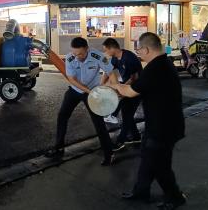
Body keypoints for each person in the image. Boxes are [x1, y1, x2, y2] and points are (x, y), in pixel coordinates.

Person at [112, 32, 186, 210]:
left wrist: (113, 85)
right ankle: (141, 192)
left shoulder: (155, 69)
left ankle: (175, 197)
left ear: (146, 49)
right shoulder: (164, 63)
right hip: (162, 124)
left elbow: (130, 92)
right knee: (147, 159)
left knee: (160, 165)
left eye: (138, 50)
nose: (138, 53)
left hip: (163, 128)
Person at [45, 37, 117, 165]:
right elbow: (71, 79)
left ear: (87, 49)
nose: (78, 56)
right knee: (62, 116)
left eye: (81, 54)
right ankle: (59, 148)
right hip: (75, 90)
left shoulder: (98, 56)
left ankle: (109, 153)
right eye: (75, 53)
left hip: (92, 91)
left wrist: (115, 87)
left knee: (98, 122)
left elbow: (111, 72)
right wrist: (89, 91)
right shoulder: (70, 58)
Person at [101, 38, 142, 151]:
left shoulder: (129, 58)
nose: (105, 53)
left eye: (106, 50)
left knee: (127, 114)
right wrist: (100, 86)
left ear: (112, 48)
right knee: (126, 113)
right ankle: (136, 137)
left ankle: (120, 141)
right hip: (127, 86)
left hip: (137, 88)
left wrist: (121, 89)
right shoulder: (115, 58)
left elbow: (134, 78)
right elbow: (108, 71)